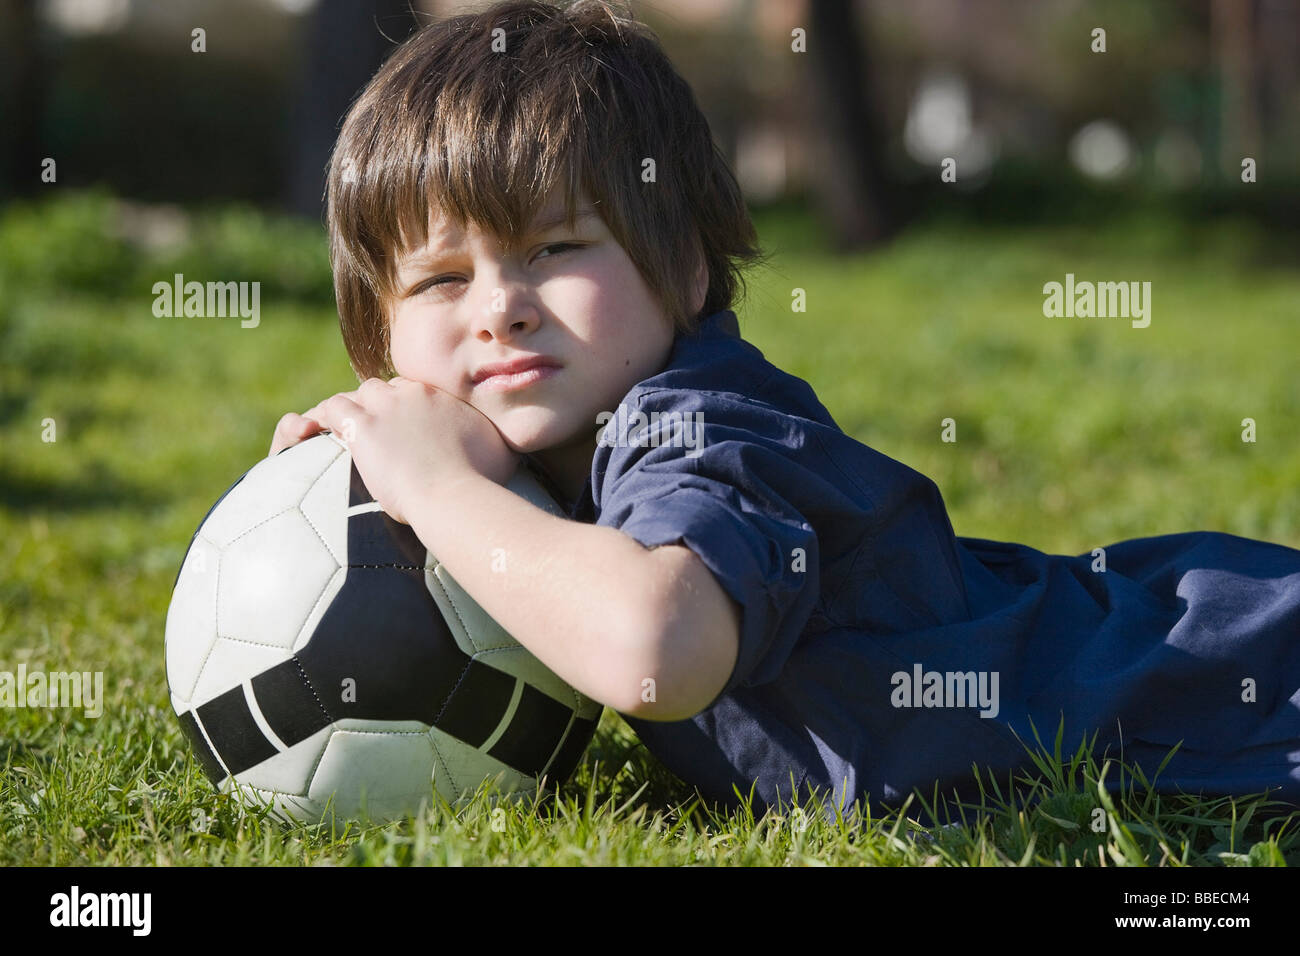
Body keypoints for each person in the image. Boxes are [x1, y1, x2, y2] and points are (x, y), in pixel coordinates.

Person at [268, 0, 1300, 822]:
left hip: (1227, 680)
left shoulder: (700, 427)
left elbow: (651, 649)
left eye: (554, 248)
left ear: (678, 264)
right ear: (378, 337)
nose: (500, 307)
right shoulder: (556, 452)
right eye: (441, 279)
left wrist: (438, 484)